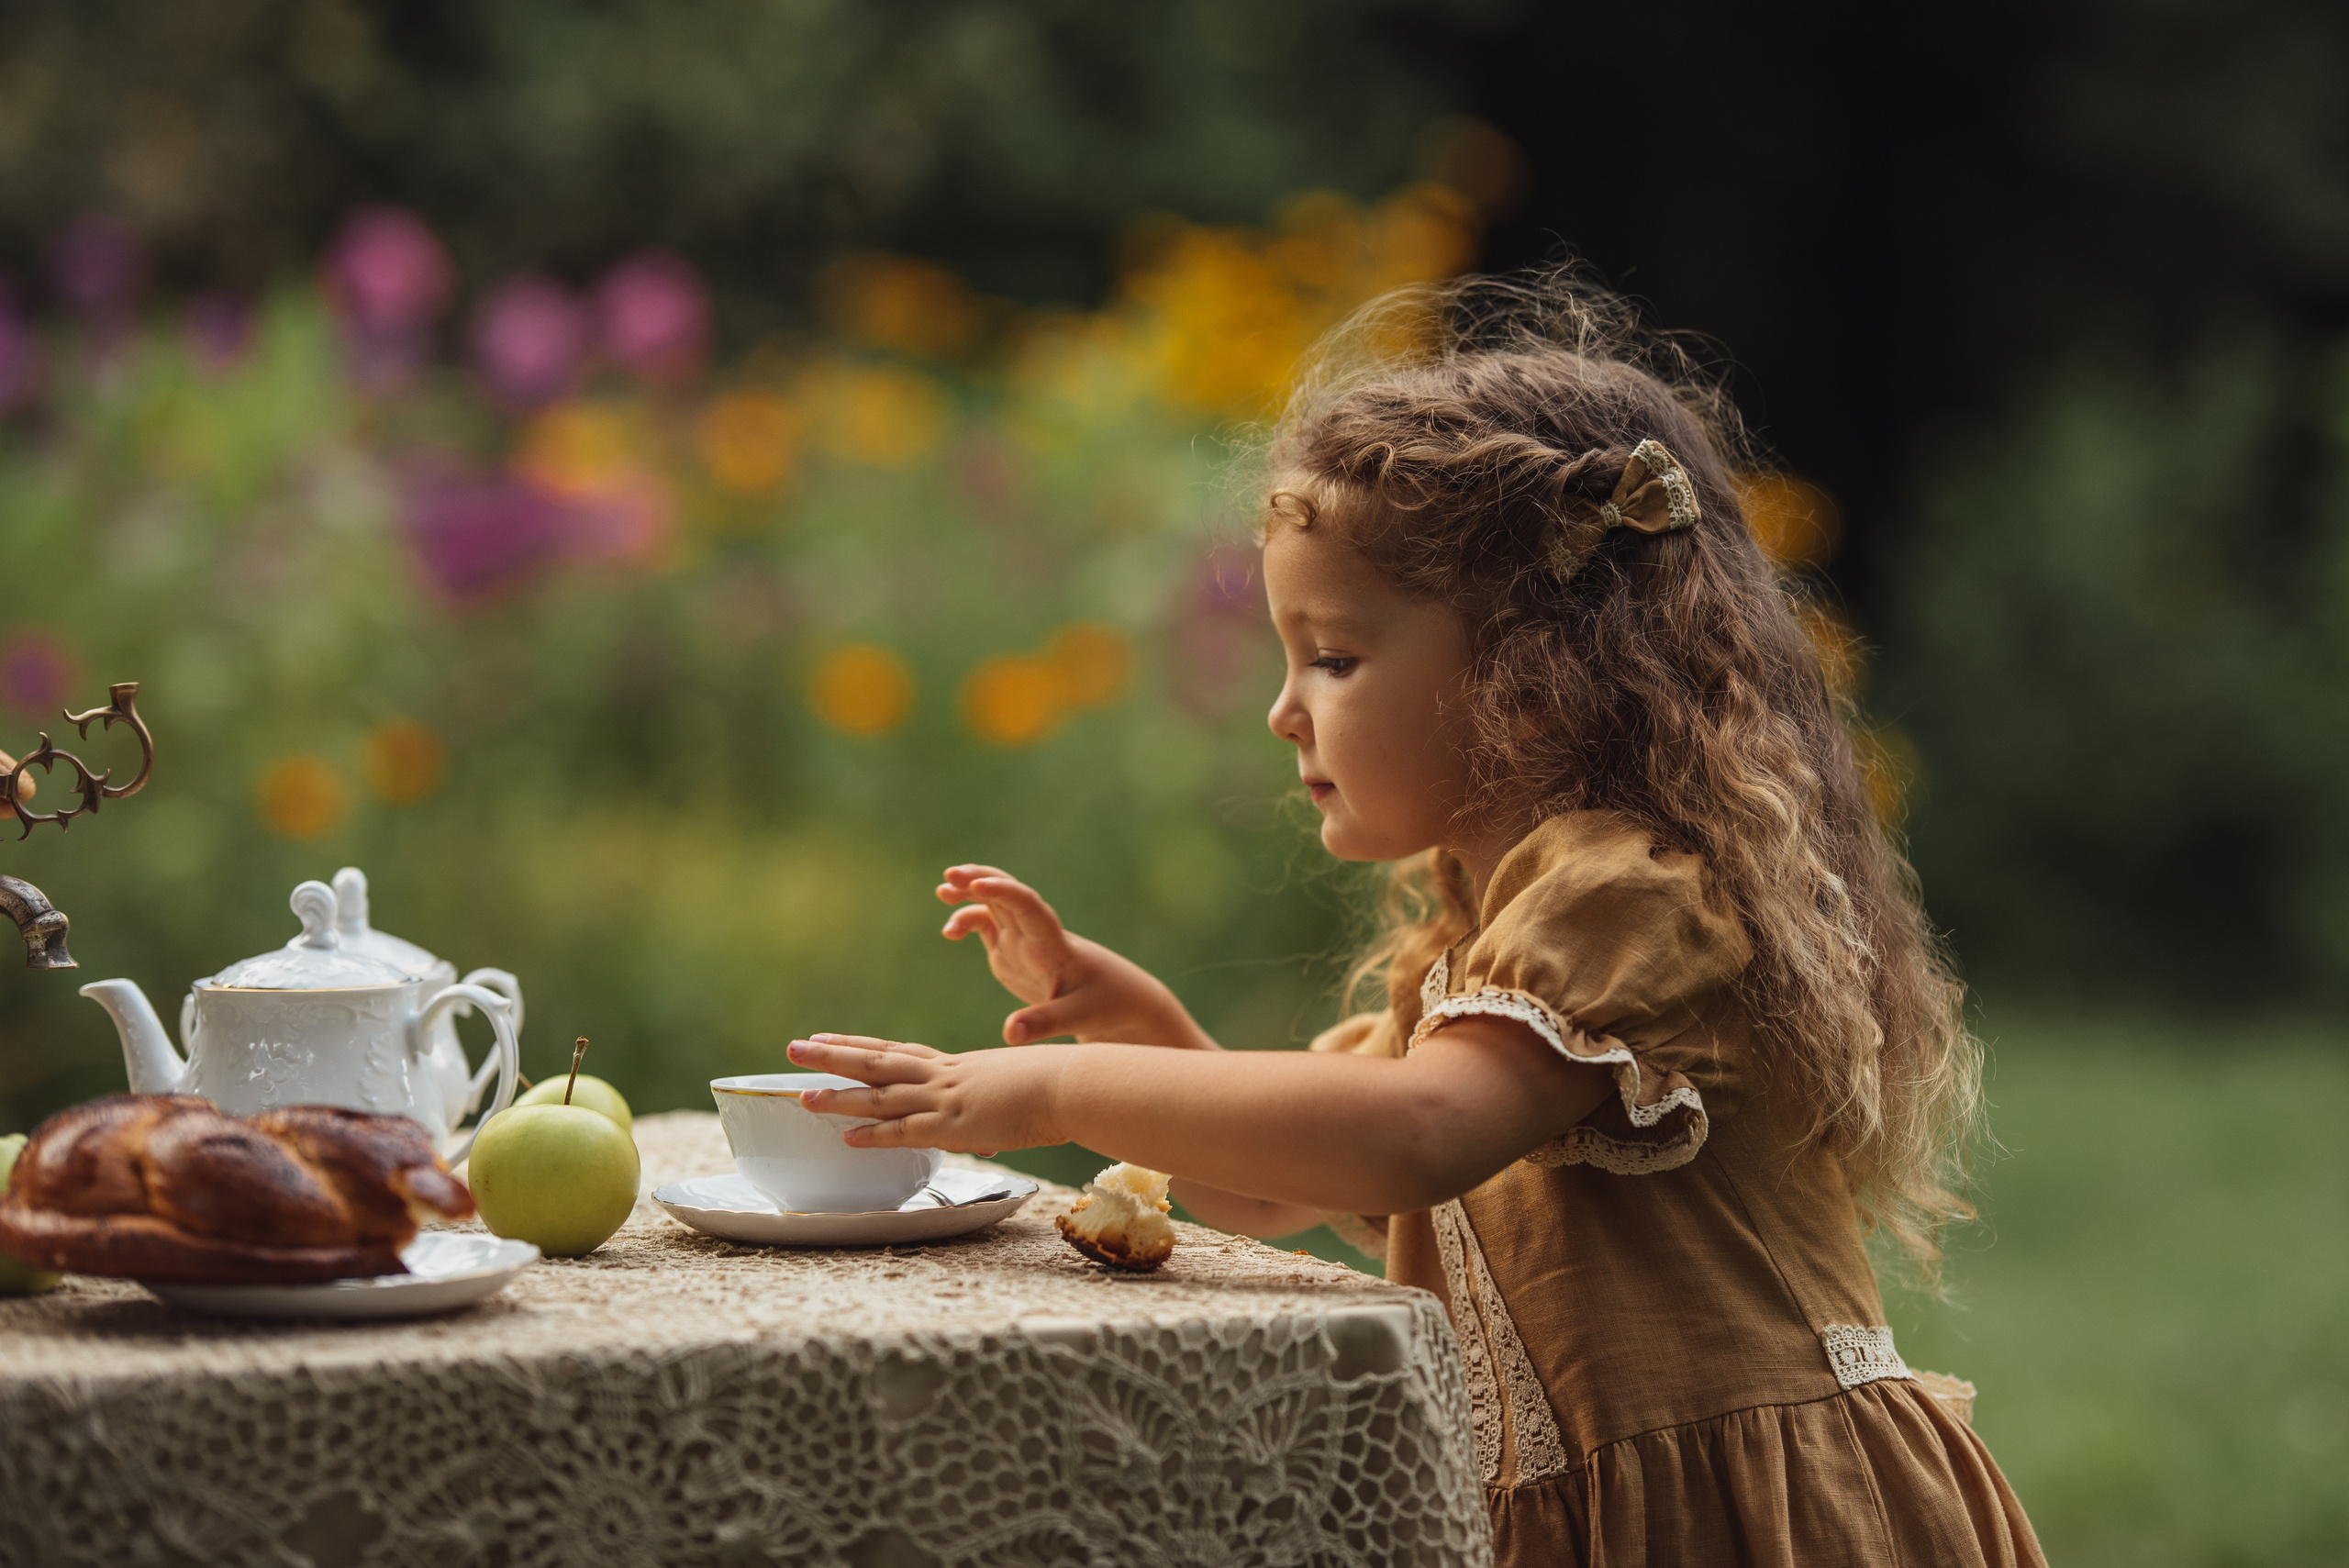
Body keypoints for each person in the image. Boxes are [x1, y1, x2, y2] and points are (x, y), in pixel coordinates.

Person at [787, 269, 2046, 1567]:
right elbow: (1291, 1180)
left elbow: (1412, 1138)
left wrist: (1059, 1086)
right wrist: (1150, 1037)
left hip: (1755, 1519)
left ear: (1532, 675)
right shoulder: (1476, 950)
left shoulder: (1630, 892)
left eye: (1332, 657)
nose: (1286, 711)